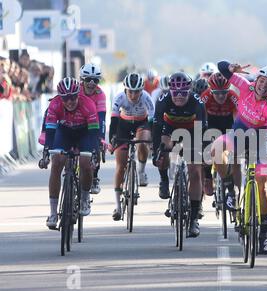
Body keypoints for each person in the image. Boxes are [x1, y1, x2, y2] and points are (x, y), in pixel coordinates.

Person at [212, 61, 267, 255]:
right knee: (216, 149)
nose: (263, 85)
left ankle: (264, 236)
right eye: (262, 80)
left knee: (262, 184)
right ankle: (230, 191)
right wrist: (231, 68)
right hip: (239, 134)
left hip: (260, 141)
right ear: (256, 79)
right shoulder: (245, 86)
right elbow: (221, 68)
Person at [152, 72, 207, 238]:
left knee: (195, 171)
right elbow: (156, 126)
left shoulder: (198, 103)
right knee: (163, 149)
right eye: (176, 93)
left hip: (192, 131)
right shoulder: (163, 100)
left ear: (189, 90)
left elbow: (201, 132)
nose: (179, 96)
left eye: (183, 93)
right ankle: (163, 180)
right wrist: (157, 151)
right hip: (170, 128)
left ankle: (194, 219)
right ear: (170, 91)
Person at [43, 77, 99, 230]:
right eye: (66, 98)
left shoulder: (88, 104)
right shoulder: (54, 105)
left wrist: (94, 152)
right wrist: (47, 150)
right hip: (65, 132)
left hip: (85, 132)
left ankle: (85, 197)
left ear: (78, 94)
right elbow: (50, 130)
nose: (70, 101)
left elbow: (94, 132)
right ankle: (53, 212)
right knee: (57, 163)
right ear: (60, 98)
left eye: (73, 97)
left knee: (86, 163)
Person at [109, 73, 155, 221]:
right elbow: (113, 122)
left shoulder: (147, 98)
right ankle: (117, 206)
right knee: (120, 165)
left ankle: (141, 172)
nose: (134, 95)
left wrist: (153, 140)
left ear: (142, 90)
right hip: (123, 125)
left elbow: (153, 121)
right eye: (131, 91)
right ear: (125, 89)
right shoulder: (119, 98)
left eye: (137, 91)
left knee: (143, 143)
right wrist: (112, 140)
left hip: (142, 123)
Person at [200, 72, 238, 202]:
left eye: (224, 92)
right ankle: (208, 176)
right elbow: (199, 119)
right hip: (210, 123)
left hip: (228, 123)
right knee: (205, 151)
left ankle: (232, 187)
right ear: (211, 90)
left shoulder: (233, 97)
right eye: (217, 92)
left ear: (229, 90)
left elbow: (239, 118)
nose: (221, 96)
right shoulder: (205, 97)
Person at [79, 63, 107, 194]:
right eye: (87, 79)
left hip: (93, 124)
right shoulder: (76, 89)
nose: (91, 83)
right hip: (77, 122)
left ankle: (94, 176)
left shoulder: (101, 94)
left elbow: (102, 118)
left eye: (95, 80)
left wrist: (101, 138)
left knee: (97, 146)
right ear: (82, 79)